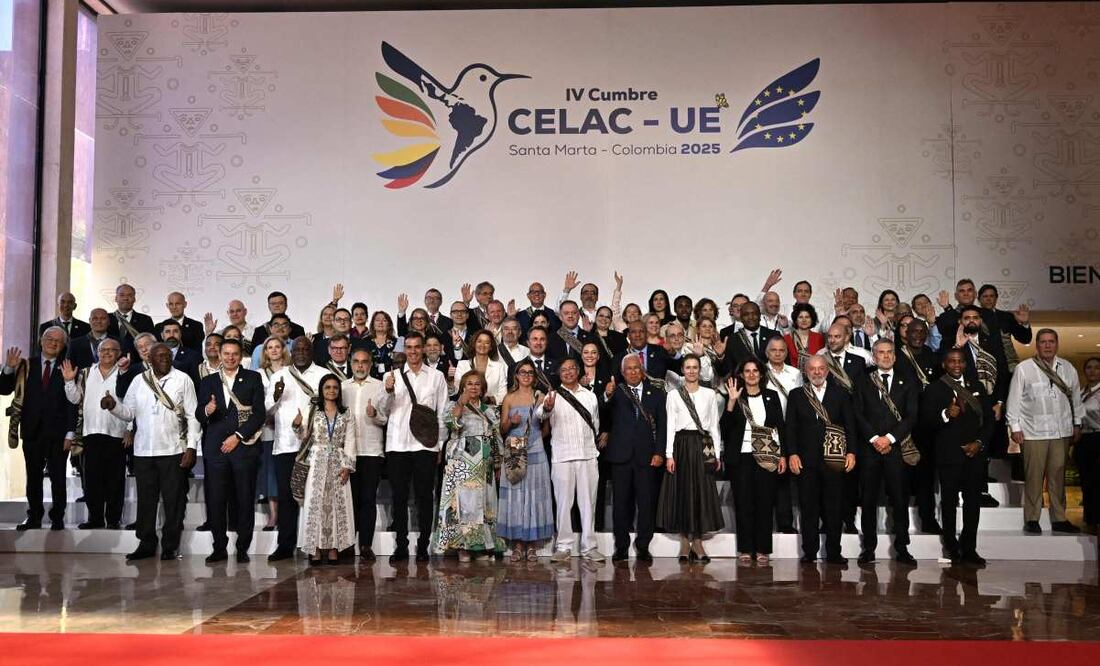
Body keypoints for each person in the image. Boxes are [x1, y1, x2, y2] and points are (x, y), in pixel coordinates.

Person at [102, 343, 199, 561]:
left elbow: (193, 416)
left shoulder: (183, 379)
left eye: (167, 356)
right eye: (159, 356)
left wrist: (191, 447)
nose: (164, 359)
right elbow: (128, 413)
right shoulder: (139, 381)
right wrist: (112, 406)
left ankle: (170, 546)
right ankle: (146, 543)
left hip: (173, 450)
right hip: (144, 451)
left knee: (173, 501)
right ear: (150, 360)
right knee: (146, 500)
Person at [377, 331, 449, 564]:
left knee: (424, 498)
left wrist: (438, 445)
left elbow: (443, 413)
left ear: (424, 349)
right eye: (409, 347)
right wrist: (388, 392)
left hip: (426, 446)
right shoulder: (393, 376)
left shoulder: (436, 377)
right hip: (397, 444)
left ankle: (423, 546)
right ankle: (401, 545)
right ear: (403, 350)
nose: (414, 351)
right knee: (398, 497)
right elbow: (383, 412)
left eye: (418, 347)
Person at [920, 348, 994, 566]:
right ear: (944, 364)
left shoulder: (976, 386)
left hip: (974, 454)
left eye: (960, 361)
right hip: (948, 456)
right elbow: (925, 424)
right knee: (949, 503)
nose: (956, 365)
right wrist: (944, 415)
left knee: (973, 503)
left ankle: (970, 548)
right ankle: (952, 547)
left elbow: (989, 420)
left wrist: (979, 444)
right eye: (951, 361)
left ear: (965, 363)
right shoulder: (934, 389)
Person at [195, 338, 266, 563]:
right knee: (216, 499)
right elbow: (198, 414)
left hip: (243, 448)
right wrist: (208, 409)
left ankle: (243, 548)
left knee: (244, 498)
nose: (230, 357)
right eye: (226, 353)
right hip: (215, 450)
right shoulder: (208, 381)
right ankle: (219, 547)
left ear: (240, 355)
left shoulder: (253, 378)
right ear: (219, 353)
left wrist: (238, 436)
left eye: (234, 353)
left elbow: (259, 414)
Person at [1006, 329, 1083, 534]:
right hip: (1033, 431)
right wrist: (1015, 428)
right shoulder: (1024, 368)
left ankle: (1059, 518)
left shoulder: (1068, 368)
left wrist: (1077, 423)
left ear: (1057, 344)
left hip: (1061, 431)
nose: (1047, 345)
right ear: (1037, 345)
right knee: (1034, 477)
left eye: (1051, 342)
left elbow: (1075, 398)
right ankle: (1032, 519)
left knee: (1058, 476)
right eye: (1043, 342)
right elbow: (1013, 401)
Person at [852, 339, 919, 566]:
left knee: (899, 500)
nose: (886, 356)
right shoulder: (862, 380)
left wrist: (889, 439)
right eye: (881, 352)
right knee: (868, 500)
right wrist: (874, 439)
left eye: (890, 352)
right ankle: (868, 548)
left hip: (896, 449)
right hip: (869, 450)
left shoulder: (908, 380)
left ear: (895, 356)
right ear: (874, 355)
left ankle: (902, 548)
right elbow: (857, 413)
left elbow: (912, 415)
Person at [785, 355, 857, 565]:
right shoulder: (797, 395)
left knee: (834, 508)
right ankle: (809, 552)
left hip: (834, 458)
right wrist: (792, 453)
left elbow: (850, 426)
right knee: (809, 508)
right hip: (806, 460)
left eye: (821, 368)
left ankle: (834, 552)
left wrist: (851, 452)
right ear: (806, 372)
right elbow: (791, 427)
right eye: (812, 369)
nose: (817, 372)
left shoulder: (841, 394)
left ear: (828, 370)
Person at [1, 327, 74, 530]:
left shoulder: (67, 367)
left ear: (63, 345)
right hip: (32, 430)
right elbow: (4, 389)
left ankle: (57, 517)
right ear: (41, 341)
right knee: (33, 476)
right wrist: (8, 368)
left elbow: (72, 403)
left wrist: (71, 432)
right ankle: (34, 516)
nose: (53, 343)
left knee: (58, 477)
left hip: (58, 433)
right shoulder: (25, 365)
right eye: (49, 339)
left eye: (58, 341)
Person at [265, 336, 327, 561]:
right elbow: (267, 411)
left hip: (316, 446)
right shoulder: (279, 375)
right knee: (286, 496)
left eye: (305, 349)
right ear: (290, 351)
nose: (301, 352)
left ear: (311, 351)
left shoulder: (322, 375)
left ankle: (315, 546)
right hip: (286, 445)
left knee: (316, 496)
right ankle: (285, 545)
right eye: (297, 349)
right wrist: (276, 396)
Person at [537, 357, 604, 563]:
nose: (568, 372)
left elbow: (596, 424)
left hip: (587, 455)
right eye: (563, 370)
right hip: (562, 456)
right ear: (559, 373)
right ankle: (563, 547)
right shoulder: (552, 395)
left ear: (578, 371)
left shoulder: (590, 396)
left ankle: (589, 546)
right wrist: (547, 408)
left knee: (588, 504)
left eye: (571, 369)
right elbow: (540, 415)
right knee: (564, 504)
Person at [657, 355, 724, 562]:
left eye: (695, 367)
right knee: (684, 492)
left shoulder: (709, 394)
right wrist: (669, 455)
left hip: (703, 445)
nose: (692, 371)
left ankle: (699, 542)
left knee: (702, 492)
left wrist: (717, 454)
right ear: (682, 370)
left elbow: (714, 426)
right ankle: (685, 542)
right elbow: (669, 427)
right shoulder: (674, 395)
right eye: (688, 367)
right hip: (681, 445)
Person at [719, 359, 785, 565]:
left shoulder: (771, 396)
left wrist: (783, 455)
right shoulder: (735, 397)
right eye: (747, 371)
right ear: (741, 375)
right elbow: (725, 429)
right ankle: (746, 549)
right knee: (743, 503)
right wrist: (730, 402)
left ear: (761, 374)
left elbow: (780, 427)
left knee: (765, 503)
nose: (751, 374)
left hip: (766, 456)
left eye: (755, 371)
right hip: (741, 457)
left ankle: (763, 549)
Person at [434, 370, 504, 561]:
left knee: (485, 504)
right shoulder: (452, 406)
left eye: (477, 384)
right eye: (469, 384)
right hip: (462, 461)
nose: (473, 387)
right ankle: (462, 547)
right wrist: (461, 403)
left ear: (482, 389)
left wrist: (498, 464)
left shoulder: (490, 410)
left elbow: (496, 437)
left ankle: (481, 546)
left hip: (485, 463)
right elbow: (452, 425)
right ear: (463, 387)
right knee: (464, 504)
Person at [61, 339, 127, 529]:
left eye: (111, 350)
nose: (106, 353)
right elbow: (74, 398)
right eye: (102, 349)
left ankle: (113, 520)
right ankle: (95, 518)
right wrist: (68, 380)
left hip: (117, 434)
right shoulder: (86, 372)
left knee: (115, 481)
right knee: (92, 480)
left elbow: (131, 403)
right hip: (91, 434)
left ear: (119, 352)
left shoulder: (124, 373)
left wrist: (129, 430)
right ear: (97, 352)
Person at [295, 373, 357, 565]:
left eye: (335, 388)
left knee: (337, 506)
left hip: (339, 461)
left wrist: (348, 465)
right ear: (321, 391)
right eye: (327, 387)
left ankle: (333, 549)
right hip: (316, 462)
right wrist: (297, 425)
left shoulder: (346, 413)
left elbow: (350, 441)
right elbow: (304, 437)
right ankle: (314, 549)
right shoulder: (313, 410)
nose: (331, 391)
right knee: (316, 504)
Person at [498, 358, 555, 561]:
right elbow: (502, 430)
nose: (527, 376)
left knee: (534, 496)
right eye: (523, 372)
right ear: (516, 375)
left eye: (530, 373)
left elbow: (546, 431)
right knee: (516, 495)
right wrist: (510, 423)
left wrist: (545, 416)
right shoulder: (509, 398)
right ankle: (518, 544)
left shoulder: (540, 397)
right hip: (514, 448)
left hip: (536, 448)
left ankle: (532, 545)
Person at [894, 318, 944, 534]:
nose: (917, 335)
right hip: (901, 424)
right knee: (900, 477)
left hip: (926, 426)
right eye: (913, 331)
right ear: (906, 333)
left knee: (925, 476)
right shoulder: (895, 356)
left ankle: (928, 519)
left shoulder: (932, 356)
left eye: (922, 332)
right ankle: (899, 523)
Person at [343, 349, 387, 560]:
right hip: (347, 453)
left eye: (364, 362)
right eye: (356, 362)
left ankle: (366, 545)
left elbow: (386, 418)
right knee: (349, 500)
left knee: (368, 499)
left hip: (371, 451)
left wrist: (375, 414)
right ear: (351, 364)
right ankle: (348, 544)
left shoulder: (379, 387)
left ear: (370, 364)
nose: (360, 366)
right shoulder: (342, 387)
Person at [764, 336, 802, 534]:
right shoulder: (759, 372)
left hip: (791, 427)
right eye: (773, 350)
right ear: (767, 352)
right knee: (766, 474)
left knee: (784, 476)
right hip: (767, 429)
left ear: (786, 353)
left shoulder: (796, 374)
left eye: (781, 350)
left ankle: (785, 522)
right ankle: (763, 522)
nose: (777, 353)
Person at [256, 335, 289, 532]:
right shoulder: (259, 374)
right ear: (266, 352)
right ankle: (273, 515)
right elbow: (256, 401)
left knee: (284, 474)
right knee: (270, 474)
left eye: (278, 346)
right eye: (270, 347)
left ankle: (286, 514)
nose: (275, 350)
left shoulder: (290, 372)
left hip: (287, 430)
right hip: (267, 429)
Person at [614, 321, 681, 388]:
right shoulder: (619, 358)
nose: (638, 335)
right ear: (628, 336)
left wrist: (673, 353)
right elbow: (618, 385)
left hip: (659, 396)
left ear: (647, 334)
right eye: (633, 332)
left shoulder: (660, 351)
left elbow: (681, 370)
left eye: (641, 331)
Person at [453, 330, 508, 404]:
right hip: (466, 409)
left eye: (487, 343)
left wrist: (487, 400)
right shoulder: (462, 365)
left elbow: (503, 394)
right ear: (474, 344)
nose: (482, 345)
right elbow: (457, 389)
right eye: (479, 341)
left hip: (491, 410)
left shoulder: (499, 367)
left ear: (491, 347)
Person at [1078, 357, 1100, 534]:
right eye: (1089, 368)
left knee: (1096, 480)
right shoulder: (1081, 391)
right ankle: (1090, 518)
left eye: (1097, 368)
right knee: (1086, 480)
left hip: (1098, 437)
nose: (1092, 371)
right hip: (1083, 440)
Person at [107, 283, 155, 359]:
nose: (126, 298)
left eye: (129, 295)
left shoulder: (145, 320)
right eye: (122, 295)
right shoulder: (106, 318)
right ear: (116, 298)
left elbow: (151, 344)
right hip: (111, 362)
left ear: (134, 299)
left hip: (137, 362)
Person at [684, 317, 726, 390]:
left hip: (716, 392)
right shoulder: (689, 347)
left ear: (714, 330)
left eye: (710, 326)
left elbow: (722, 373)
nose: (707, 329)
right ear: (698, 329)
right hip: (697, 389)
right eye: (704, 326)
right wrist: (700, 356)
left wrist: (720, 356)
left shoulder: (717, 349)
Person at [783, 303, 825, 371]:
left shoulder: (819, 338)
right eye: (800, 317)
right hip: (793, 376)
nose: (804, 320)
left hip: (815, 375)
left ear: (812, 319)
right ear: (796, 320)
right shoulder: (787, 339)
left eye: (807, 317)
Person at [160, 320, 201, 384]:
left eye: (175, 331)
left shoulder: (193, 356)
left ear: (180, 334)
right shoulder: (153, 355)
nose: (172, 335)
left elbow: (196, 384)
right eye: (168, 332)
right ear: (162, 335)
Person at [524, 326, 559, 391]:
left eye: (542, 339)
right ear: (528, 343)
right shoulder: (517, 367)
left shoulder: (557, 365)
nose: (538, 343)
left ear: (547, 342)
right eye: (535, 339)